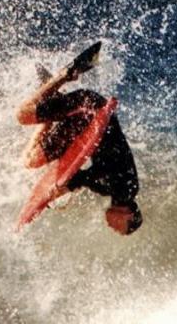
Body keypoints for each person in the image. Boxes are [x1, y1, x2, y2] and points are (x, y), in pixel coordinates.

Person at [16, 42, 142, 235]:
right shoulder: (126, 190)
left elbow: (85, 177)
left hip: (82, 123)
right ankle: (64, 75)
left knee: (31, 160)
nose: (113, 229)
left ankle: (52, 101)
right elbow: (97, 172)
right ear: (129, 216)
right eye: (120, 230)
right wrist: (63, 189)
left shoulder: (113, 191)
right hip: (88, 111)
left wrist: (60, 191)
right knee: (22, 115)